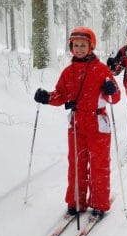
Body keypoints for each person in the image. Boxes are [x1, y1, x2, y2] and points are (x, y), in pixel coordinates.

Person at [34, 27, 121, 220]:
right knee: (76, 164)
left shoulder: (101, 69)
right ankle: (76, 202)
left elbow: (115, 98)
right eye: (76, 45)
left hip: (98, 124)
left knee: (99, 165)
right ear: (71, 47)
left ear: (91, 46)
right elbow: (60, 95)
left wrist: (111, 88)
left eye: (83, 45)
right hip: (76, 125)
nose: (79, 49)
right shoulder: (68, 72)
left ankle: (99, 203)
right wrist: (46, 97)